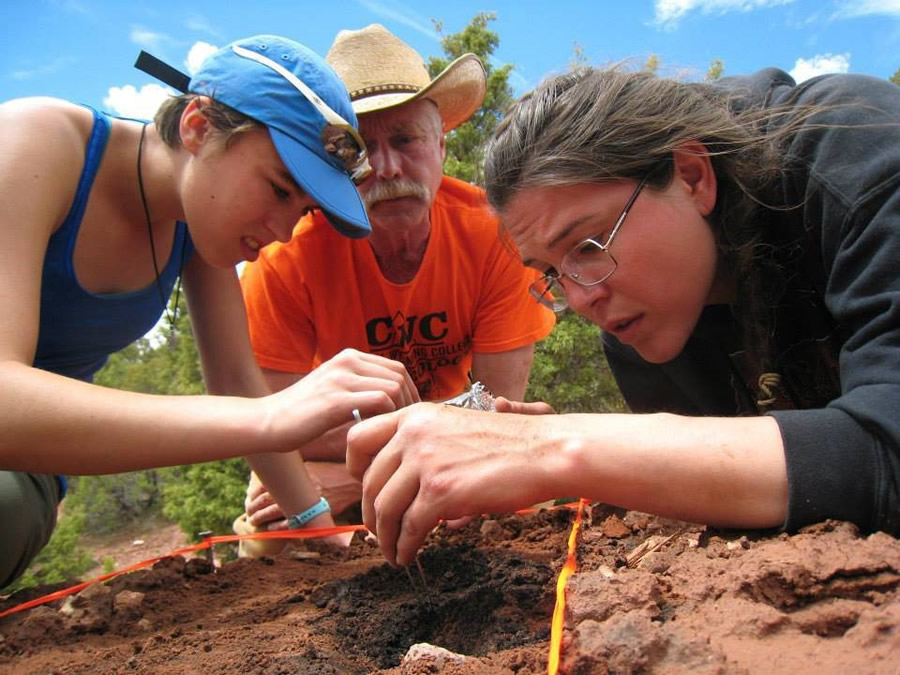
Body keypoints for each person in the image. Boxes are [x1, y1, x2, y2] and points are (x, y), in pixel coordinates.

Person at [345, 64, 900, 567]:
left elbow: (886, 454)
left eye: (587, 244)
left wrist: (556, 448)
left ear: (690, 175)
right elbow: (743, 490)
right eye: (551, 273)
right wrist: (531, 460)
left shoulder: (860, 158)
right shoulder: (639, 328)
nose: (581, 301)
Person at [0, 34, 419, 588]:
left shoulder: (194, 226)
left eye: (303, 210)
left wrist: (318, 533)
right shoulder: (39, 141)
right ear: (198, 127)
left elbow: (236, 384)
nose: (281, 232)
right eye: (277, 189)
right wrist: (277, 413)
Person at [234, 24, 555, 546]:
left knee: (523, 510)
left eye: (405, 140)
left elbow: (498, 412)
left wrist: (354, 476)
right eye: (358, 153)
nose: (386, 168)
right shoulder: (285, 255)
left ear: (441, 147)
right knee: (272, 527)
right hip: (351, 447)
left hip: (431, 446)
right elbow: (278, 423)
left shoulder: (496, 235)